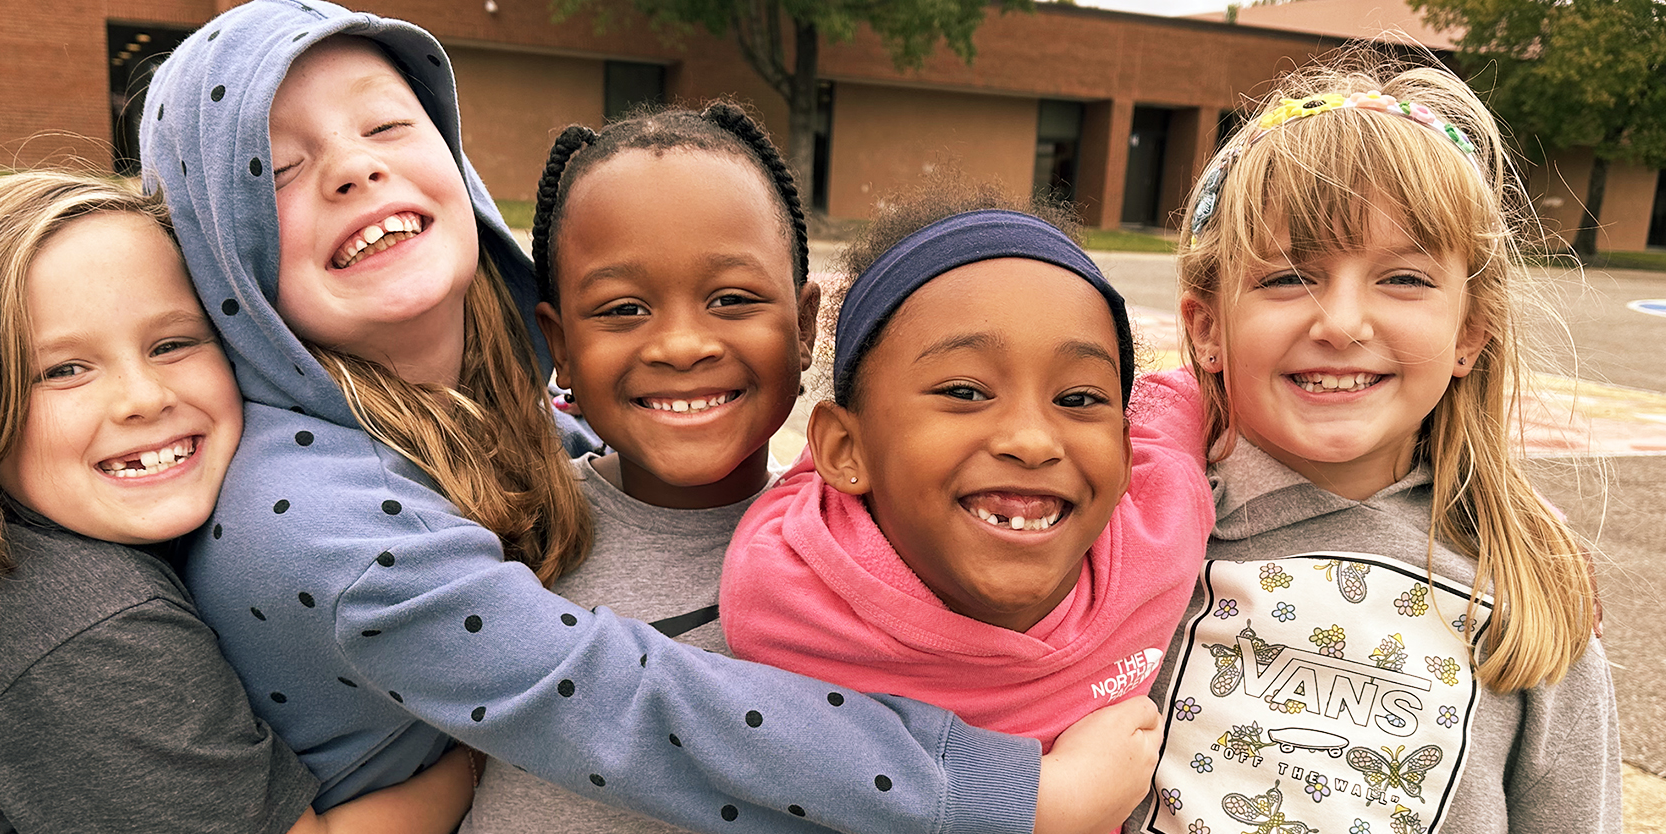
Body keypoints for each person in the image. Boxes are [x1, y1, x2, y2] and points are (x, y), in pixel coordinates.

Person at [138, 2, 1159, 831]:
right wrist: (1017, 796)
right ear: (221, 250)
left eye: (387, 124)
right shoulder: (313, 515)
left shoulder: (505, 445)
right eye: (273, 167)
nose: (354, 166)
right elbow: (611, 700)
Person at [0, 170, 476, 833]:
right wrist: (481, 763)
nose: (142, 398)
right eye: (63, 369)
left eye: (172, 344)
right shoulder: (74, 616)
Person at [1134, 55, 1620, 834]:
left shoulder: (1531, 588)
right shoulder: (1127, 532)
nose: (1342, 323)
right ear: (1207, 327)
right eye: (1289, 276)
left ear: (1469, 334)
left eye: (1404, 279)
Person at [717, 180, 1214, 750]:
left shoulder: (1163, 520)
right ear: (844, 451)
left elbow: (1189, 395)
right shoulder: (786, 595)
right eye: (965, 391)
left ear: (1126, 458)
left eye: (1077, 399)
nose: (1032, 442)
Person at [461, 101, 819, 833]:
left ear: (806, 326)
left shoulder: (857, 554)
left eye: (731, 299)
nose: (682, 345)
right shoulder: (507, 530)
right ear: (558, 344)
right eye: (623, 309)